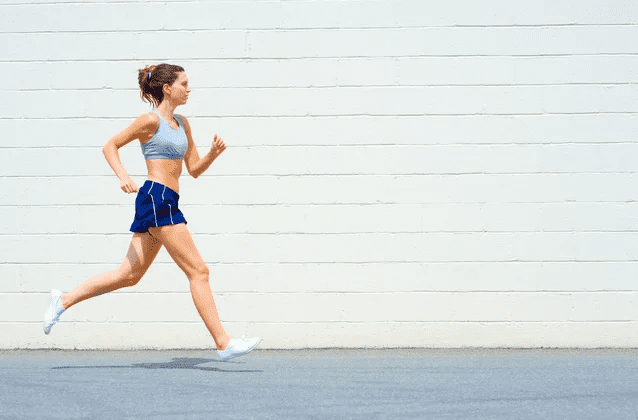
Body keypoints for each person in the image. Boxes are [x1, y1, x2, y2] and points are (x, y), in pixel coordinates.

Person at [43, 63, 261, 361]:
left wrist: (212, 153)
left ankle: (63, 300)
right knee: (199, 271)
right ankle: (223, 343)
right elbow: (110, 146)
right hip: (157, 198)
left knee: (128, 274)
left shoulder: (183, 123)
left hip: (165, 199)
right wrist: (123, 176)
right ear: (167, 88)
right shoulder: (149, 121)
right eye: (184, 84)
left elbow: (193, 169)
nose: (189, 89)